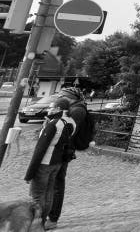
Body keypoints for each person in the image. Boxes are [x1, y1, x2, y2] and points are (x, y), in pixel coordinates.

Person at [24, 98, 74, 230]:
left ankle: (37, 223)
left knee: (37, 195)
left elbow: (40, 149)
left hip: (45, 162)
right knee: (49, 192)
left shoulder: (54, 124)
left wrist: (29, 173)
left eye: (51, 107)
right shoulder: (70, 122)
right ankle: (44, 221)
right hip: (57, 162)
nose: (49, 109)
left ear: (58, 109)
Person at [47, 87, 87, 229]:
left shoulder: (77, 110)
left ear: (69, 97)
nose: (59, 97)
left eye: (62, 95)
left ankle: (52, 218)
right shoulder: (73, 108)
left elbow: (67, 131)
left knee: (57, 184)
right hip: (61, 149)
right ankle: (50, 215)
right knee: (53, 183)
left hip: (64, 151)